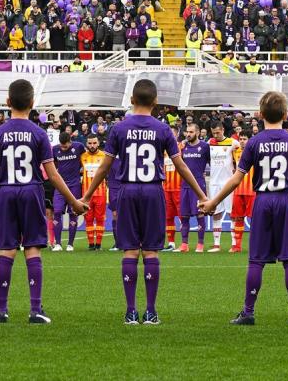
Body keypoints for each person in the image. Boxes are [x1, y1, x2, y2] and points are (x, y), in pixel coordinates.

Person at [199, 91, 288, 326]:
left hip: (263, 201)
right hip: (287, 200)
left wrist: (213, 202)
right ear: (286, 115)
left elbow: (237, 179)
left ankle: (248, 312)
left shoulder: (254, 142)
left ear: (261, 114)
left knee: (256, 260)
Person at [79, 79, 207, 324]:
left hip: (127, 190)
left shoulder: (119, 128)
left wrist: (86, 195)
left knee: (129, 251)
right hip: (152, 191)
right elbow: (180, 165)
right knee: (150, 252)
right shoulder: (162, 130)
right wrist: (202, 195)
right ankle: (150, 311)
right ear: (156, 102)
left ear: (131, 100)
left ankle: (130, 311)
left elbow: (105, 166)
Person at [0, 79, 87, 324]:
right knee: (32, 248)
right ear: (33, 104)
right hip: (31, 191)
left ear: (8, 103)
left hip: (6, 192)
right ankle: (35, 310)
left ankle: (1, 310)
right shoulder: (39, 133)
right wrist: (73, 201)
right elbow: (52, 174)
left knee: (7, 249)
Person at [176, 124, 210, 253]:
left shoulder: (205, 147)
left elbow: (212, 162)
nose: (188, 134)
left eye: (191, 132)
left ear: (197, 132)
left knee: (200, 214)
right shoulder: (183, 147)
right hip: (184, 185)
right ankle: (184, 244)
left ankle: (200, 244)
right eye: (187, 132)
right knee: (184, 216)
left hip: (198, 185)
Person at [207, 121, 239, 252]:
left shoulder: (232, 142)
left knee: (232, 213)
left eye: (218, 132)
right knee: (216, 213)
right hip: (214, 182)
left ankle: (234, 243)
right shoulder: (210, 142)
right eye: (213, 132)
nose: (216, 135)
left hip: (228, 183)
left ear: (223, 130)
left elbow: (242, 150)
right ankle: (216, 244)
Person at [51, 132, 85, 251]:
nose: (63, 148)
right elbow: (53, 164)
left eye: (65, 146)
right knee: (57, 212)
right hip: (60, 186)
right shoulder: (55, 149)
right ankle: (58, 244)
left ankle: (70, 244)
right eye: (61, 146)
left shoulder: (79, 146)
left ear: (70, 142)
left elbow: (85, 159)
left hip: (74, 185)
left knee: (73, 213)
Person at [81, 135, 107, 250]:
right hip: (86, 195)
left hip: (101, 193)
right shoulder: (82, 156)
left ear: (98, 143)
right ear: (87, 144)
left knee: (100, 218)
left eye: (94, 143)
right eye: (90, 143)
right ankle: (91, 244)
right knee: (88, 218)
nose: (92, 145)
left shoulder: (104, 156)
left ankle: (99, 244)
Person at [231, 134, 255, 253]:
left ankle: (256, 246)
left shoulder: (256, 151)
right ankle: (237, 246)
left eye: (245, 139)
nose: (242, 141)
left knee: (255, 220)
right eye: (240, 139)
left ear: (250, 140)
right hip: (238, 190)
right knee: (238, 218)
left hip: (252, 191)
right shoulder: (235, 151)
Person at [162, 147, 181, 252]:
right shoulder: (162, 150)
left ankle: (184, 243)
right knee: (168, 217)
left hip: (179, 188)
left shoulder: (181, 148)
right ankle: (171, 243)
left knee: (182, 216)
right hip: (166, 189)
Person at [107, 156, 121, 251]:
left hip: (127, 186)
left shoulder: (128, 153)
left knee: (130, 215)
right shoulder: (109, 156)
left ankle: (133, 242)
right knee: (115, 214)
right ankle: (117, 243)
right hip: (114, 188)